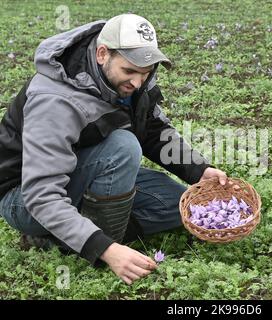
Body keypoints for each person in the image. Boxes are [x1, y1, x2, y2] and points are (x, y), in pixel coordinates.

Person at [0, 14, 228, 285]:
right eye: (129, 71)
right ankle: (92, 243)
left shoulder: (134, 76)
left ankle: (70, 232)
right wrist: (106, 249)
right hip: (24, 196)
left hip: (81, 171)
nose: (137, 83)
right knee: (123, 146)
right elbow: (41, 195)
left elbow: (153, 129)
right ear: (102, 54)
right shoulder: (54, 100)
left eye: (146, 73)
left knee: (177, 206)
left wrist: (198, 171)